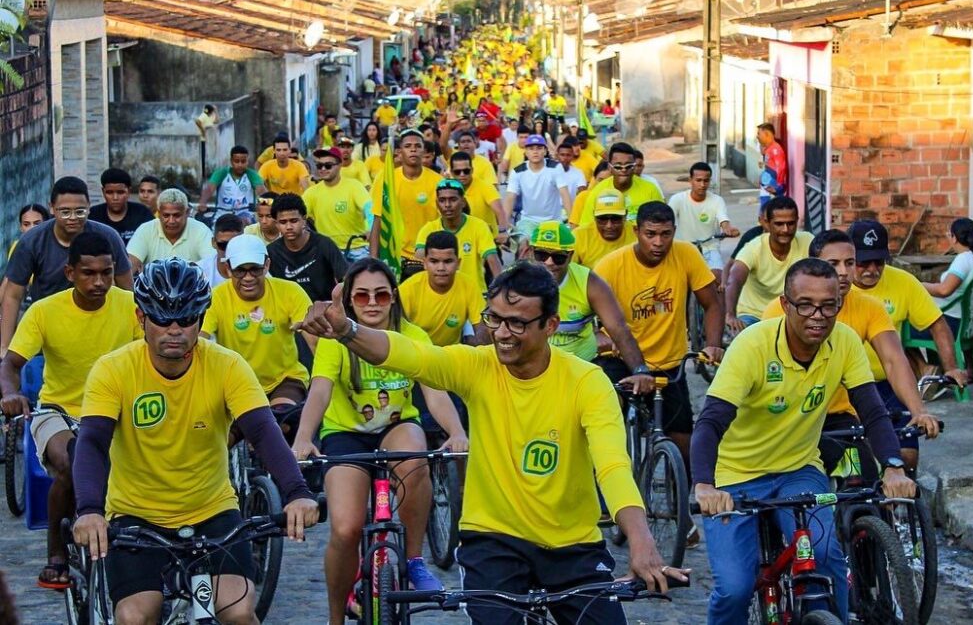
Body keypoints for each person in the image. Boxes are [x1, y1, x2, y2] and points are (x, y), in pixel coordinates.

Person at [295, 261, 688, 625]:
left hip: (574, 545)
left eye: (517, 324)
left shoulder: (588, 382)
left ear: (550, 325)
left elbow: (613, 466)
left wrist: (641, 541)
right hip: (492, 544)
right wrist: (346, 330)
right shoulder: (478, 366)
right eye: (495, 319)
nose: (501, 333)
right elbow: (410, 355)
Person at [72, 258, 319, 624]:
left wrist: (297, 492)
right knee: (137, 616)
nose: (175, 330)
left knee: (237, 612)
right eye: (163, 319)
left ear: (201, 320)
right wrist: (90, 509)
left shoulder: (228, 365)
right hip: (137, 517)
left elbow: (263, 431)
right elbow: (91, 442)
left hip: (213, 513)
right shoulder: (113, 369)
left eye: (186, 319)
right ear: (141, 319)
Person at [692, 258, 917, 625]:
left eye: (829, 306)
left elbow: (872, 411)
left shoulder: (844, 342)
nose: (818, 315)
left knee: (827, 557)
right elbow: (710, 422)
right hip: (734, 476)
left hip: (799, 469)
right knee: (735, 587)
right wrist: (704, 486)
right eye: (806, 305)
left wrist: (892, 467)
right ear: (785, 305)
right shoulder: (753, 346)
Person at [291, 259, 468, 625]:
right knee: (345, 528)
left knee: (416, 454)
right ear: (351, 301)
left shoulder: (413, 335)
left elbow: (434, 393)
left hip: (396, 427)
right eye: (362, 295)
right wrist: (304, 438)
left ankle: (415, 561)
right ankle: (336, 617)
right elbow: (320, 392)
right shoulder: (335, 341)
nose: (372, 302)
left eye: (381, 294)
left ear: (393, 298)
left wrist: (457, 432)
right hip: (345, 435)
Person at [1, 233, 141, 591]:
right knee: (71, 462)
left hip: (118, 412)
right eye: (88, 273)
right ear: (69, 273)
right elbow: (11, 364)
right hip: (59, 412)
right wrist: (11, 393)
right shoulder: (44, 311)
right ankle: (56, 553)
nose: (99, 282)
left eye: (107, 273)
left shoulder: (133, 305)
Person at [762, 230, 941, 471]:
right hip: (789, 418)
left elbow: (893, 360)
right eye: (833, 263)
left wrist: (919, 411)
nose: (844, 272)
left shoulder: (870, 308)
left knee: (873, 482)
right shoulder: (779, 310)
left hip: (842, 416)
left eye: (849, 262)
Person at [594, 201, 724, 496]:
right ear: (636, 231)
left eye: (665, 234)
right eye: (650, 234)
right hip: (621, 360)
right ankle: (607, 490)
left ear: (674, 232)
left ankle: (682, 511)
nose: (658, 242)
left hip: (669, 362)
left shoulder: (686, 254)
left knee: (683, 441)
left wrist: (713, 345)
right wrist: (601, 340)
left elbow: (712, 302)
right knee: (608, 427)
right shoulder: (610, 266)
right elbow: (588, 317)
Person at [2, 177, 132, 356]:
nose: (72, 218)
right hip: (50, 329)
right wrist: (4, 347)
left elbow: (129, 291)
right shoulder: (32, 242)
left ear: (89, 207)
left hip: (100, 325)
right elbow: (13, 295)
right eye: (64, 212)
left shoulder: (108, 237)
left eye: (80, 212)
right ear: (51, 208)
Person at [848, 219, 969, 390]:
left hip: (891, 382)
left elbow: (937, 324)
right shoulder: (835, 286)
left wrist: (951, 368)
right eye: (864, 262)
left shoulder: (904, 281)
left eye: (879, 261)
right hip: (846, 384)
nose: (873, 269)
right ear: (849, 259)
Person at [201, 235, 315, 417]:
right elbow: (200, 339)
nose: (248, 278)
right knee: (234, 434)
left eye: (255, 269)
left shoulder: (290, 291)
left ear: (267, 265)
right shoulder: (215, 297)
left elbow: (315, 342)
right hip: (235, 383)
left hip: (285, 379)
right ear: (228, 269)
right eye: (240, 271)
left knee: (282, 419)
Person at [530, 222, 652, 387]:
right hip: (532, 369)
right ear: (531, 253)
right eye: (541, 255)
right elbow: (491, 326)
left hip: (582, 367)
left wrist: (640, 371)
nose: (549, 262)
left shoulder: (589, 283)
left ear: (570, 256)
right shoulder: (514, 281)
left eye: (558, 257)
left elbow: (619, 329)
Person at [725, 196, 812, 332]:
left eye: (790, 223)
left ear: (797, 222)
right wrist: (730, 315)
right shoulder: (753, 248)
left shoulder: (807, 241)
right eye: (779, 224)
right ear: (767, 224)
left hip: (792, 314)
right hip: (754, 315)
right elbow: (735, 279)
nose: (785, 229)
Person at [369, 130, 443, 280]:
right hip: (395, 258)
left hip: (429, 258)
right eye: (408, 146)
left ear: (424, 150)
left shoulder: (438, 181)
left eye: (418, 146)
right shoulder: (385, 179)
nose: (413, 149)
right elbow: (378, 220)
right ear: (399, 152)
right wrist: (373, 261)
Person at [400, 231, 487, 346]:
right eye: (434, 261)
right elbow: (394, 331)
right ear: (425, 263)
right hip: (417, 355)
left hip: (452, 356)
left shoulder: (469, 285)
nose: (441, 268)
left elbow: (482, 329)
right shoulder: (408, 289)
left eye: (448, 261)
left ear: (458, 263)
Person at [415, 179, 500, 295]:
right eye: (442, 200)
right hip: (439, 295)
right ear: (436, 203)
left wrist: (501, 287)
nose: (447, 205)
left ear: (463, 202)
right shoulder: (428, 229)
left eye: (453, 199)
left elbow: (492, 258)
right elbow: (420, 261)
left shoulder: (479, 226)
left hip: (474, 293)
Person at [668, 162, 740, 284]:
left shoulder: (717, 200)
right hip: (683, 248)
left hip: (709, 248)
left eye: (706, 181)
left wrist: (727, 229)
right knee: (676, 282)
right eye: (698, 180)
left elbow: (723, 218)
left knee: (718, 278)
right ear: (690, 180)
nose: (702, 184)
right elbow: (668, 220)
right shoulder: (677, 199)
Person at [268, 194, 349, 302]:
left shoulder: (324, 244)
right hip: (289, 312)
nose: (289, 227)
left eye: (294, 221)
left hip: (325, 311)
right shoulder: (271, 252)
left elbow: (345, 280)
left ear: (304, 220)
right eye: (283, 222)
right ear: (276, 224)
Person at [302, 146, 372, 261]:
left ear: (339, 165)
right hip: (328, 250)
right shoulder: (311, 193)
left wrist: (370, 227)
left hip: (358, 248)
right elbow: (298, 214)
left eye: (328, 165)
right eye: (319, 166)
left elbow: (369, 208)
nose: (323, 169)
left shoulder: (354, 186)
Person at [921, 218, 973, 332]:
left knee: (902, 326)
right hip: (967, 320)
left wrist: (918, 285)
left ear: (955, 238)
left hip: (951, 321)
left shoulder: (964, 260)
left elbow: (944, 290)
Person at [126, 188, 215, 273]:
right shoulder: (145, 230)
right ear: (159, 213)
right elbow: (128, 268)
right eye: (166, 215)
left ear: (187, 212)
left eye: (176, 215)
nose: (171, 221)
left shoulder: (201, 230)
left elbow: (213, 266)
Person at [503, 135, 572, 242]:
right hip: (528, 221)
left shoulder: (555, 167)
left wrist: (572, 222)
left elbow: (564, 193)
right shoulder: (517, 171)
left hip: (553, 221)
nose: (535, 152)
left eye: (539, 148)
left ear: (545, 151)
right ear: (525, 152)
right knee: (523, 246)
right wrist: (504, 224)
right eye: (531, 149)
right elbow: (510, 198)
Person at [578, 143, 664, 224]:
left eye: (628, 166)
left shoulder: (650, 190)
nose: (623, 170)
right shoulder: (598, 192)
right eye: (618, 167)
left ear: (634, 167)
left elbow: (661, 223)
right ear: (610, 168)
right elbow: (587, 227)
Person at [448, 151, 509, 243]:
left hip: (486, 240)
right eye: (457, 172)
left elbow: (500, 212)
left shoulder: (486, 187)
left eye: (466, 171)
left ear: (472, 170)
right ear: (452, 172)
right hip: (458, 241)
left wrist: (503, 231)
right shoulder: (447, 189)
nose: (462, 175)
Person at [197, 145, 267, 223]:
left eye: (243, 161)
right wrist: (203, 202)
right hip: (222, 214)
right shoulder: (221, 173)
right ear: (231, 161)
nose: (240, 165)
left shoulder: (252, 175)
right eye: (237, 161)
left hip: (246, 214)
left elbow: (261, 191)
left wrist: (267, 203)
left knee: (244, 223)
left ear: (247, 161)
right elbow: (209, 189)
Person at [571, 190, 636, 269]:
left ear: (625, 216)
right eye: (603, 219)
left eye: (615, 218)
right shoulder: (579, 236)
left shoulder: (637, 234)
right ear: (594, 217)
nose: (609, 225)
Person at [88, 168, 153, 245]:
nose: (115, 198)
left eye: (120, 192)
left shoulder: (142, 213)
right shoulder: (93, 216)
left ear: (129, 191)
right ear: (103, 192)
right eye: (109, 192)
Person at [196, 213, 245, 290]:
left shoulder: (257, 269)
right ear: (214, 243)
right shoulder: (199, 272)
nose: (229, 252)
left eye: (235, 245)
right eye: (224, 245)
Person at [757, 122, 787, 207]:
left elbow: (780, 167)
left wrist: (778, 186)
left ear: (766, 134)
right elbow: (768, 165)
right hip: (768, 186)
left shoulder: (775, 149)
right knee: (765, 204)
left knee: (777, 206)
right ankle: (764, 215)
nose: (757, 136)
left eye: (759, 134)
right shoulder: (768, 149)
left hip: (775, 186)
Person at [553, 139, 588, 204]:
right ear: (557, 156)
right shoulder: (550, 171)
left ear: (572, 156)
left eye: (568, 155)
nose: (565, 158)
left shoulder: (578, 173)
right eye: (562, 155)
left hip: (570, 210)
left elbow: (582, 193)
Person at [194, 104, 218, 179]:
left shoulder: (208, 117)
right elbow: (197, 121)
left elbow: (216, 121)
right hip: (202, 140)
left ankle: (206, 173)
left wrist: (216, 111)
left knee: (206, 157)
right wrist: (203, 130)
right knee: (203, 157)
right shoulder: (203, 115)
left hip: (208, 141)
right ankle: (203, 174)